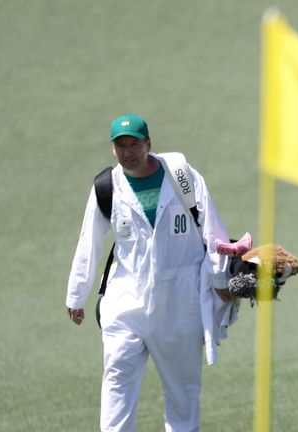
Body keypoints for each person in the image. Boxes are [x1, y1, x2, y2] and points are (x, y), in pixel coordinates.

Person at [66, 114, 236, 431]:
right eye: (121, 146)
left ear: (148, 144)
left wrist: (221, 281)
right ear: (113, 149)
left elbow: (213, 233)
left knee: (183, 393)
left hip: (180, 302)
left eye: (134, 144)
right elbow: (89, 242)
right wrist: (77, 294)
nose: (128, 152)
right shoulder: (106, 187)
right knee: (117, 377)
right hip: (125, 298)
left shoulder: (182, 176)